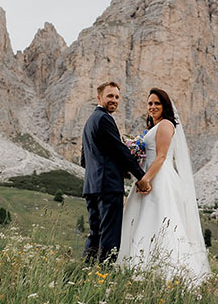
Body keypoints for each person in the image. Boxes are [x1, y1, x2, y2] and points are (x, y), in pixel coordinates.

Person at [117, 88, 211, 285]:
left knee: (160, 219)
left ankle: (171, 272)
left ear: (165, 106)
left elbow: (161, 156)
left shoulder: (167, 125)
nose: (152, 107)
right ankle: (139, 267)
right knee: (141, 218)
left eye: (157, 104)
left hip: (159, 178)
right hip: (148, 176)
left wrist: (145, 180)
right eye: (150, 103)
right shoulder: (154, 126)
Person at [80, 81, 150, 263]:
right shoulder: (104, 119)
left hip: (91, 186)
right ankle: (104, 277)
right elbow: (120, 151)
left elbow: (83, 160)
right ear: (99, 97)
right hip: (108, 186)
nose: (114, 100)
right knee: (110, 236)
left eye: (117, 97)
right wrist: (142, 177)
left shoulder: (89, 122)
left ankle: (84, 272)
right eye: (110, 96)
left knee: (95, 234)